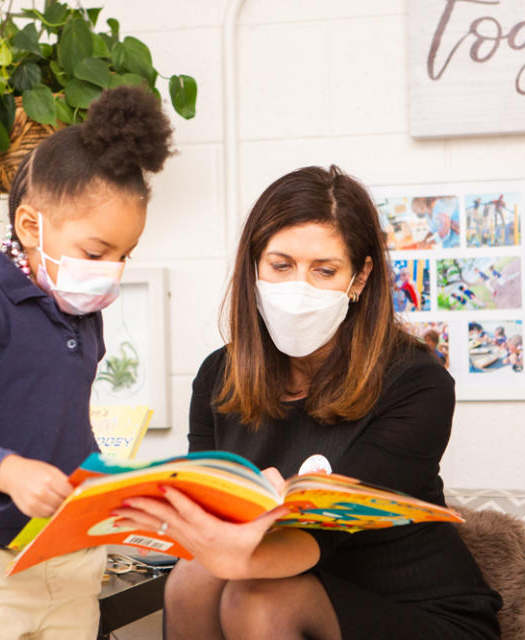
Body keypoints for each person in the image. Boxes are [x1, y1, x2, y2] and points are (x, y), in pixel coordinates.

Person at [114, 166, 502, 639]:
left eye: (324, 270)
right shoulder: (218, 377)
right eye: (281, 266)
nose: (299, 288)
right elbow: (210, 514)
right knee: (193, 580)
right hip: (282, 583)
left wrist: (230, 551)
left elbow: (329, 535)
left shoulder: (418, 383)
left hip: (413, 608)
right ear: (254, 268)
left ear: (359, 278)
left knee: (255, 598)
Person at [0, 86, 173, 640]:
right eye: (96, 252)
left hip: (70, 559)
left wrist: (116, 490)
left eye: (124, 256)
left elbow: (66, 428)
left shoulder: (84, 316)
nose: (112, 270)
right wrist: (9, 472)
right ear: (32, 227)